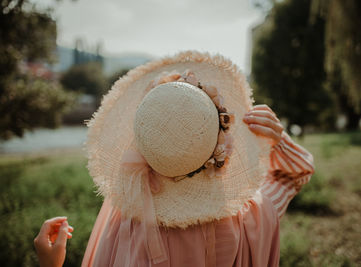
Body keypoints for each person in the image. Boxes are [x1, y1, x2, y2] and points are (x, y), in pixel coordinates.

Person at [35, 51, 314, 267]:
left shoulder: (125, 225)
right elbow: (296, 173)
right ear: (220, 131)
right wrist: (279, 140)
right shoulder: (251, 217)